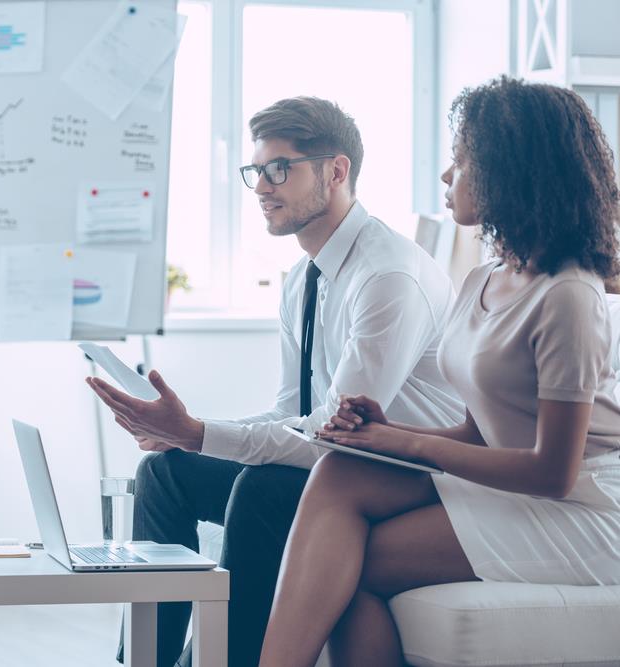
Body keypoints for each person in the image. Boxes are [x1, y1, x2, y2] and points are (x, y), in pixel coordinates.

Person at [88, 97, 464, 667]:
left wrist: (199, 432)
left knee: (262, 489)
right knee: (165, 474)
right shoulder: (302, 278)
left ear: (336, 171)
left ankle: (226, 659)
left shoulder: (387, 275)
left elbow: (338, 435)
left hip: (397, 476)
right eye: (257, 171)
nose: (262, 186)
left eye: (280, 168)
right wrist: (190, 436)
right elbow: (293, 408)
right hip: (337, 460)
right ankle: (145, 661)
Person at [257, 76, 620, 667]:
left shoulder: (569, 297)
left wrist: (403, 442)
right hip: (518, 483)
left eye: (463, 160)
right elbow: (478, 435)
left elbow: (553, 472)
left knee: (350, 566)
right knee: (339, 474)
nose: (448, 177)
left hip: (587, 507)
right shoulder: (484, 278)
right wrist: (381, 434)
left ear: (511, 171)